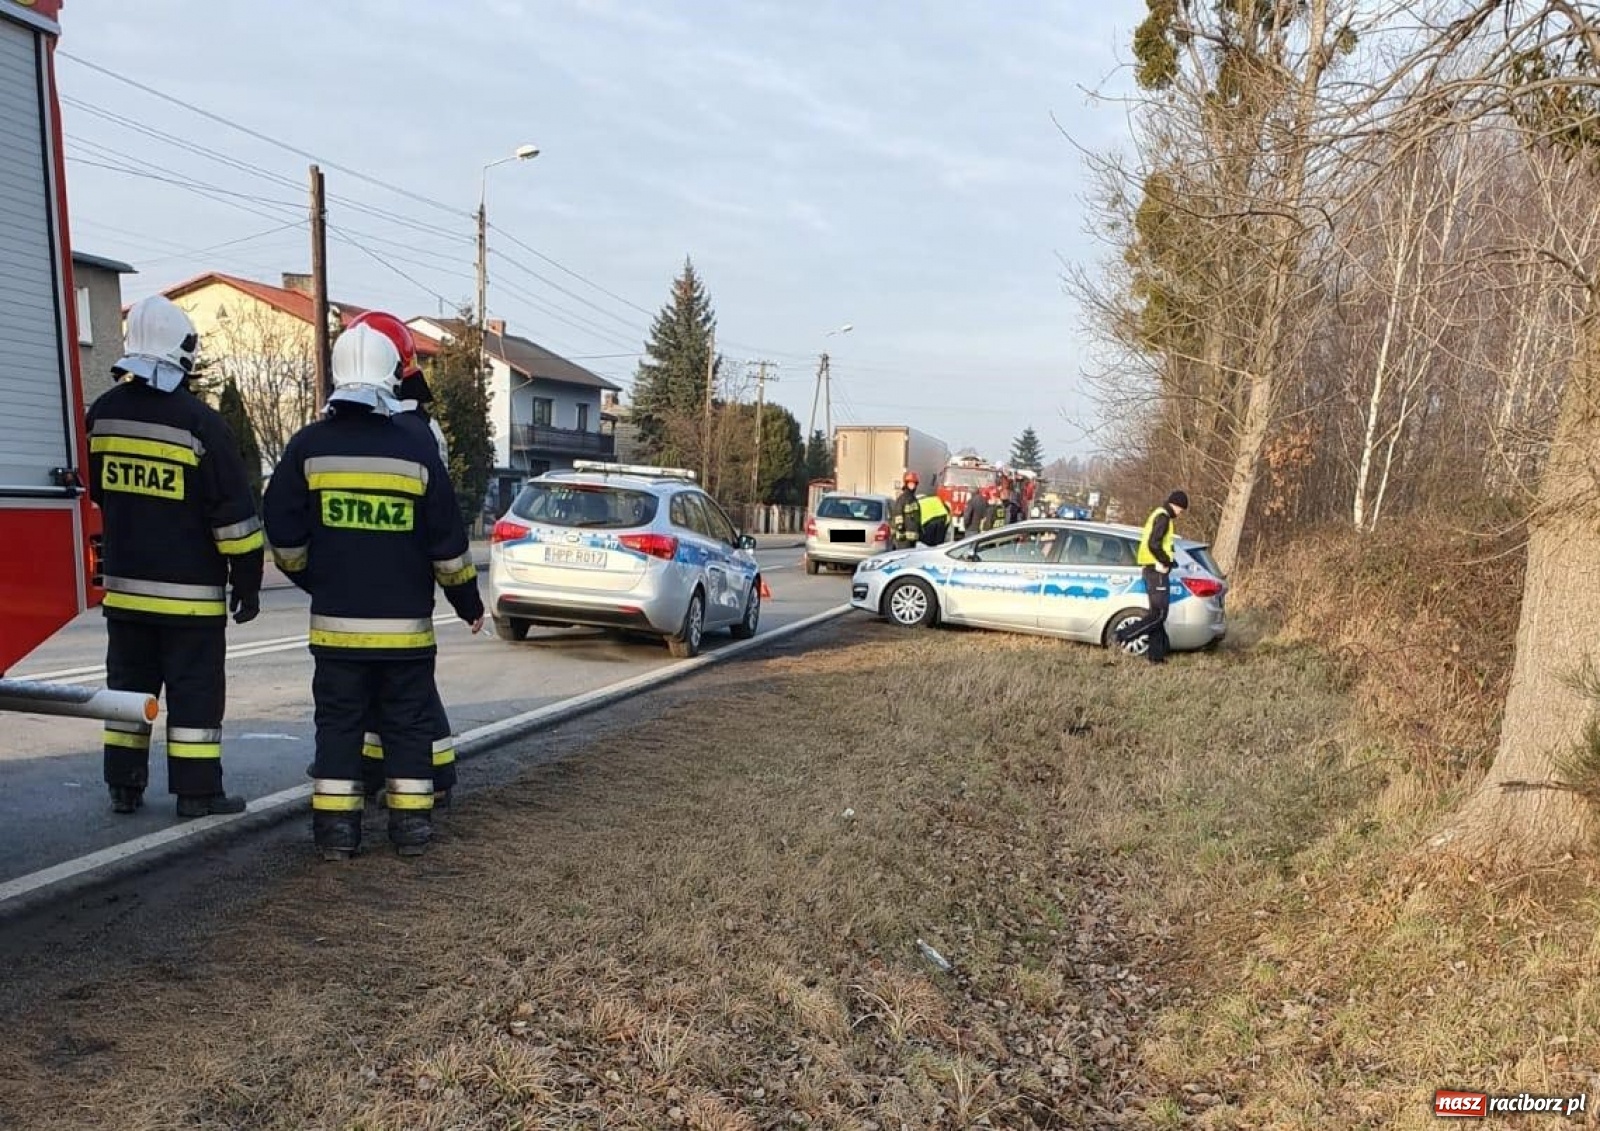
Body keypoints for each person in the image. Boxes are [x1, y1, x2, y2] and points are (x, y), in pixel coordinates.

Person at [263, 325, 484, 859]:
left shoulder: (308, 447)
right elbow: (448, 545)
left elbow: (283, 533)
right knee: (407, 724)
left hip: (336, 631)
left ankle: (336, 834)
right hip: (406, 635)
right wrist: (469, 603)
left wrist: (317, 578)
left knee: (338, 726)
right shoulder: (415, 450)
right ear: (392, 378)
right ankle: (411, 831)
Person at [85, 296, 261, 818]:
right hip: (190, 601)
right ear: (181, 353)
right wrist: (247, 583)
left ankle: (124, 787)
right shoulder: (200, 424)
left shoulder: (103, 415)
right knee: (194, 698)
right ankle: (197, 792)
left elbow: (96, 493)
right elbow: (234, 518)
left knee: (126, 693)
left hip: (125, 591)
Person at [341, 311, 460, 809]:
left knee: (397, 691)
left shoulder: (408, 430)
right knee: (393, 687)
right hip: (398, 582)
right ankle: (392, 771)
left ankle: (430, 773)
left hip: (374, 581)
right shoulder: (415, 428)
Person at [1115, 490, 1189, 664]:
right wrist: (1165, 562)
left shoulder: (1158, 514)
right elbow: (1154, 543)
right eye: (1181, 509)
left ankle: (1156, 656)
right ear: (1176, 505)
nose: (1180, 513)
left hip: (1152, 569)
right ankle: (1123, 635)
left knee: (1157, 614)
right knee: (1159, 615)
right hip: (1157, 570)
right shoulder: (1163, 517)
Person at [891, 472, 922, 550]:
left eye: (914, 484)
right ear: (906, 484)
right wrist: (900, 526)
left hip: (913, 537)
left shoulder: (914, 499)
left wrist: (920, 529)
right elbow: (898, 512)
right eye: (910, 483)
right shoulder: (902, 498)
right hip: (903, 537)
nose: (912, 485)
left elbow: (916, 516)